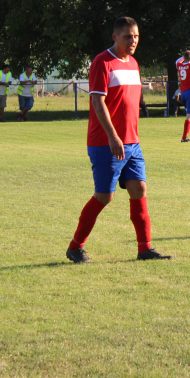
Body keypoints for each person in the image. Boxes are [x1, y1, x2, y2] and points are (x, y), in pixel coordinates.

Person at [67, 16, 171, 263]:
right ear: (115, 37)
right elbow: (97, 102)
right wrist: (113, 137)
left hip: (132, 143)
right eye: (127, 36)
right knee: (104, 196)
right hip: (106, 142)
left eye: (135, 36)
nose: (133, 40)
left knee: (139, 188)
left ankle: (144, 249)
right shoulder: (102, 62)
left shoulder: (133, 63)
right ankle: (75, 247)